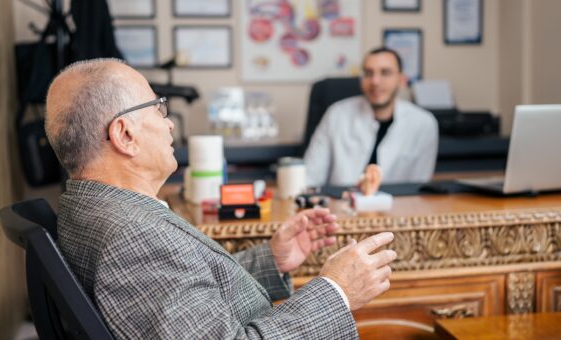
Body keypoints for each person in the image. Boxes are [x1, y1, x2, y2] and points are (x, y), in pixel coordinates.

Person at [45, 59, 397, 339]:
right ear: (124, 135)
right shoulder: (133, 238)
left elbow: (187, 297)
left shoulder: (93, 207)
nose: (169, 125)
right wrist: (336, 291)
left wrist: (271, 260)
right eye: (157, 109)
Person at [304, 47, 439, 189]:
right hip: (341, 206)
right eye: (368, 73)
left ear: (401, 79)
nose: (375, 81)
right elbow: (310, 177)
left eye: (385, 72)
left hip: (400, 208)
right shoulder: (336, 115)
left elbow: (418, 187)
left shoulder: (423, 123)